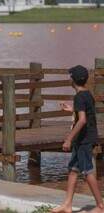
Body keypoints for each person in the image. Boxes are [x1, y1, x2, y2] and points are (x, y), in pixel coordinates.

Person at [52, 65, 104, 213]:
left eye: (70, 76)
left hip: (84, 139)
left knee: (88, 172)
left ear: (73, 80)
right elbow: (86, 113)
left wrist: (68, 139)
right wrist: (71, 109)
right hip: (85, 138)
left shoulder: (79, 97)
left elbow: (82, 120)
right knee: (73, 170)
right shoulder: (87, 94)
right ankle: (67, 205)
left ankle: (101, 206)